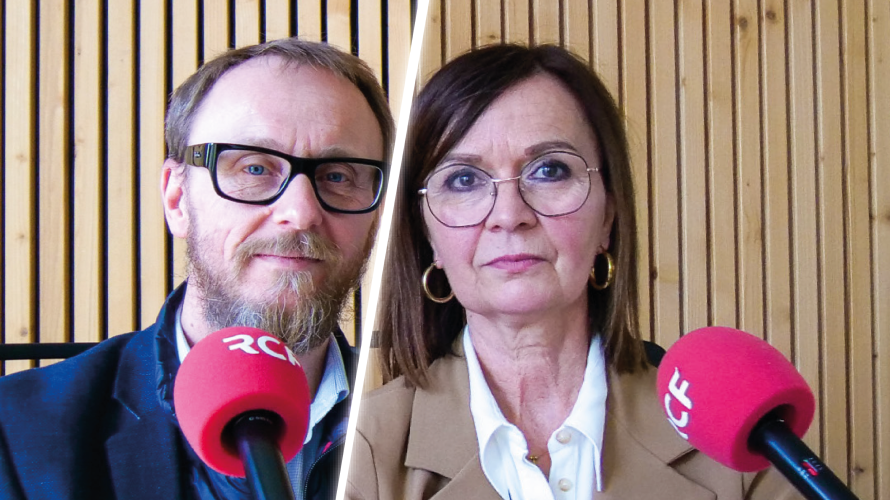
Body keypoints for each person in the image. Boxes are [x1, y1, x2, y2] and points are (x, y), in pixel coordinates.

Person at [347, 44, 802, 500]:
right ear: (428, 236)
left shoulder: (737, 435)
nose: (509, 215)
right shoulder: (361, 451)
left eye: (549, 170)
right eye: (463, 179)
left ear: (608, 218)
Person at [0, 38, 393, 500]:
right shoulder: (15, 438)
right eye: (253, 168)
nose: (301, 212)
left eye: (339, 176)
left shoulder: (426, 424)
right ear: (177, 199)